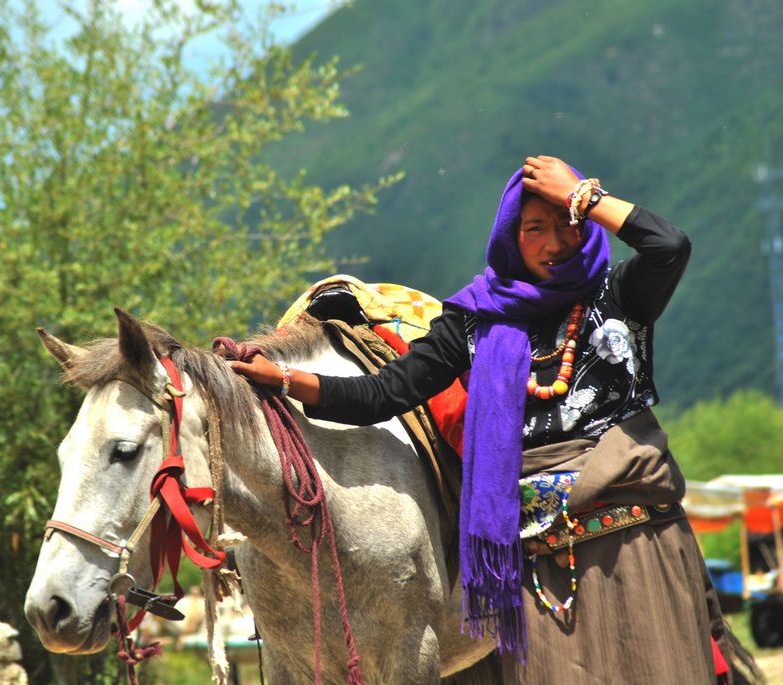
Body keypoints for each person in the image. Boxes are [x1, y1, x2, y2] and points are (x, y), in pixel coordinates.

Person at [230, 155, 733, 683]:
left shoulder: (618, 296)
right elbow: (385, 392)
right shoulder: (471, 321)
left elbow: (670, 246)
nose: (555, 242)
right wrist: (284, 380)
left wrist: (582, 195)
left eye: (568, 223)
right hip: (535, 565)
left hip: (635, 545)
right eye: (535, 228)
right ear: (509, 236)